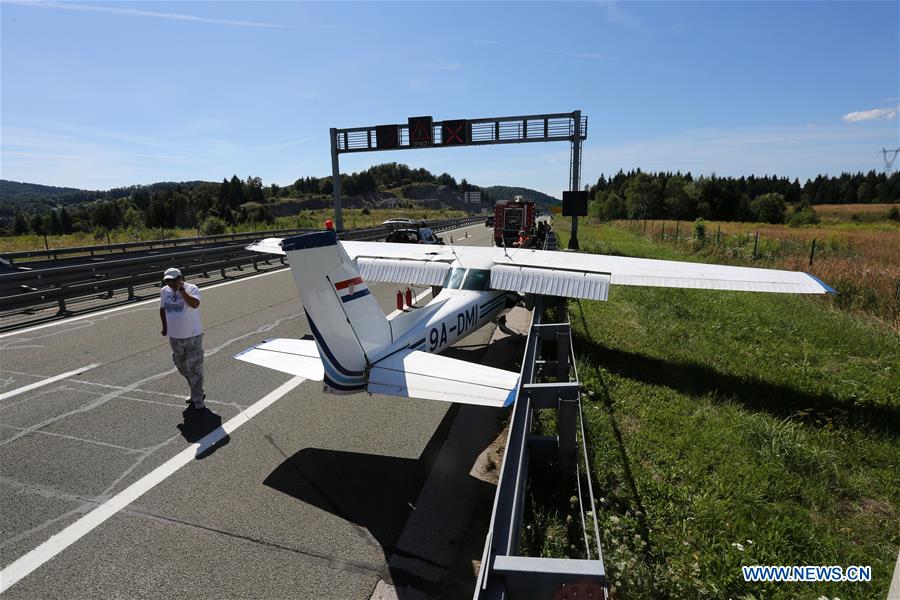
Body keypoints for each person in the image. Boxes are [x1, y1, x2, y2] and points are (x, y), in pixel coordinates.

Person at [159, 268, 205, 409]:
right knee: (181, 366)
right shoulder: (164, 291)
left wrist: (182, 291)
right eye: (167, 280)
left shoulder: (192, 288)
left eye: (173, 280)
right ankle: (196, 387)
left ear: (181, 278)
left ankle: (197, 397)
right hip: (175, 336)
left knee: (195, 367)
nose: (170, 283)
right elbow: (162, 309)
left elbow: (195, 304)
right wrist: (165, 327)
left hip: (192, 336)